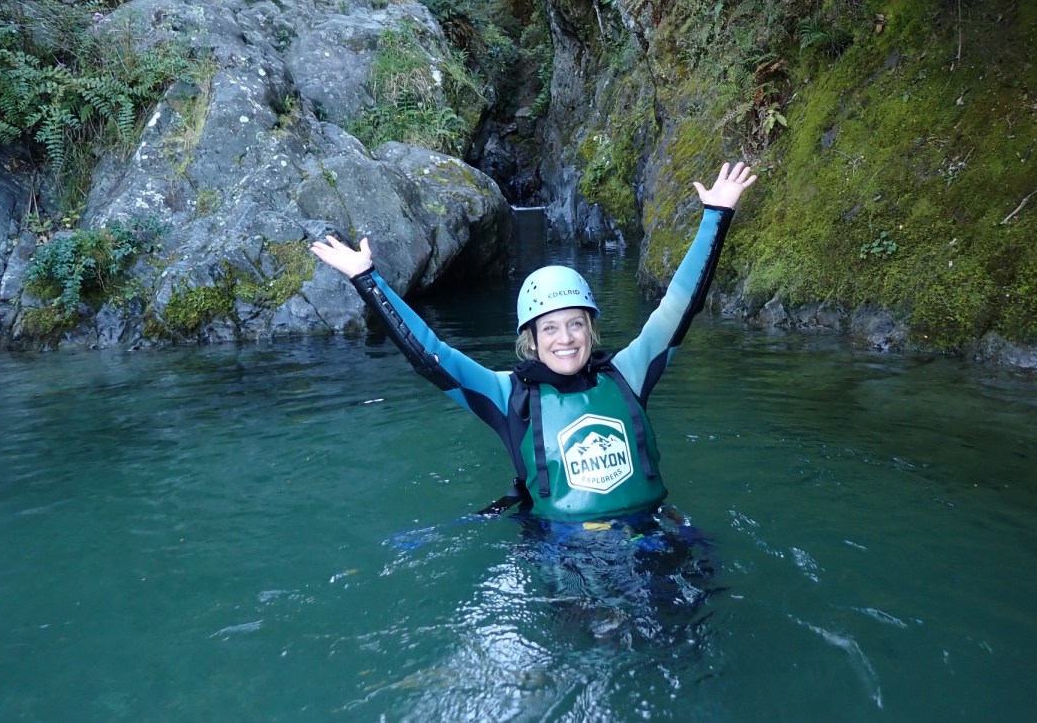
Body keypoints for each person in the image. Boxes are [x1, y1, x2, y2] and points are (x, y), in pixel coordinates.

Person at [310, 161, 757, 525]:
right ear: (531, 340)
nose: (565, 339)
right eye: (550, 328)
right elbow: (431, 356)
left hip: (651, 531)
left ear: (591, 329)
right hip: (568, 554)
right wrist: (367, 280)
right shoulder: (509, 396)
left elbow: (679, 306)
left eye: (576, 325)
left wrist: (716, 217)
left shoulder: (629, 373)